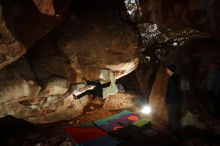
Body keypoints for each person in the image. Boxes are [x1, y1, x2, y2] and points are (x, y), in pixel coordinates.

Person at [165, 64, 181, 132]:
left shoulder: (172, 79)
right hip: (177, 99)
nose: (166, 70)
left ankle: (175, 131)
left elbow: (173, 91)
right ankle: (169, 126)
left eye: (167, 69)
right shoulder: (177, 77)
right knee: (172, 114)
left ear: (170, 70)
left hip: (173, 100)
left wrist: (168, 99)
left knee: (173, 115)